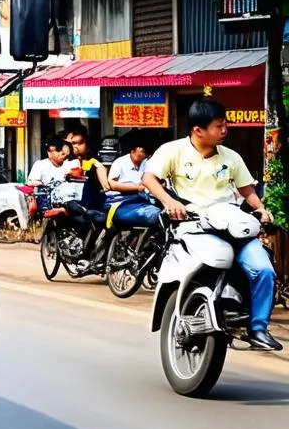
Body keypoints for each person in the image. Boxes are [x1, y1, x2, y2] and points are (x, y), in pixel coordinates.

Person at [142, 98, 279, 352]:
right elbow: (149, 178)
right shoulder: (173, 151)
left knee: (264, 269)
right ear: (198, 130)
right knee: (214, 261)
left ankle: (258, 328)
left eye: (225, 125)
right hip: (194, 226)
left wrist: (260, 208)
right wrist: (170, 202)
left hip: (231, 224)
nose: (225, 130)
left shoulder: (231, 157)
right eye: (219, 126)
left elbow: (246, 189)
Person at [105, 132, 161, 228]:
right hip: (120, 204)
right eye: (142, 150)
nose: (144, 154)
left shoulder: (147, 164)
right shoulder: (120, 162)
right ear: (133, 149)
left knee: (161, 214)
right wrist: (137, 188)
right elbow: (112, 184)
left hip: (142, 202)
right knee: (152, 214)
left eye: (146, 152)